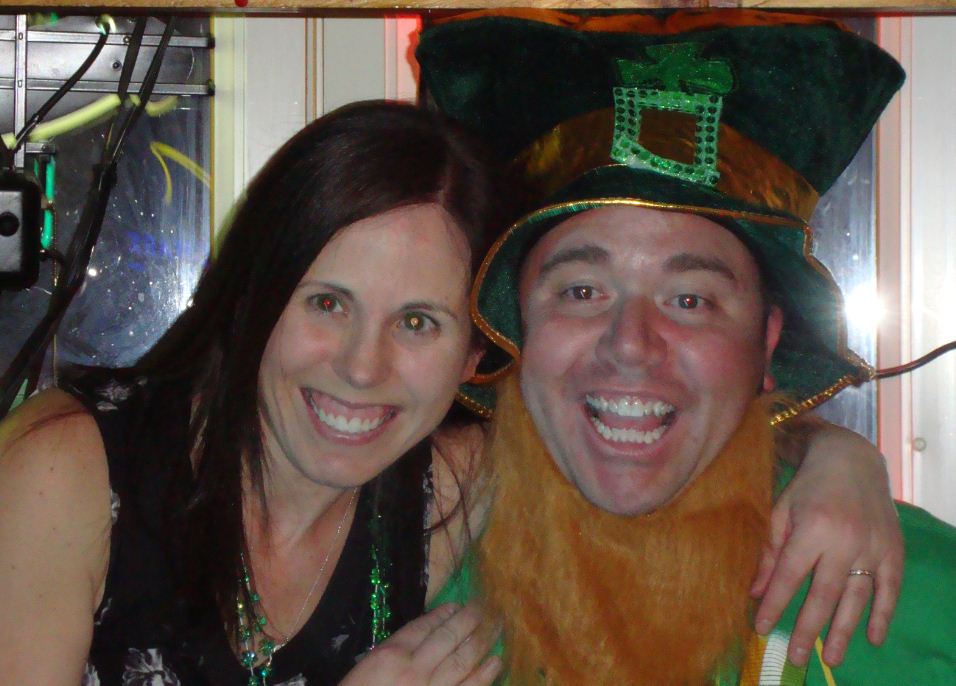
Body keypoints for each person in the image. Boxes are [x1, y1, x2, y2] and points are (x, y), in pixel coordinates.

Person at [0, 98, 902, 686]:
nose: (362, 367)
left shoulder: (450, 489)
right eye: (327, 303)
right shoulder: (68, 477)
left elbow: (645, 422)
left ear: (478, 350)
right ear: (250, 297)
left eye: (419, 322)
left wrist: (839, 458)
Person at [416, 9, 956, 685]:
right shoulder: (401, 578)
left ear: (767, 342)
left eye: (690, 301)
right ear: (516, 325)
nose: (631, 345)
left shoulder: (924, 603)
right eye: (582, 291)